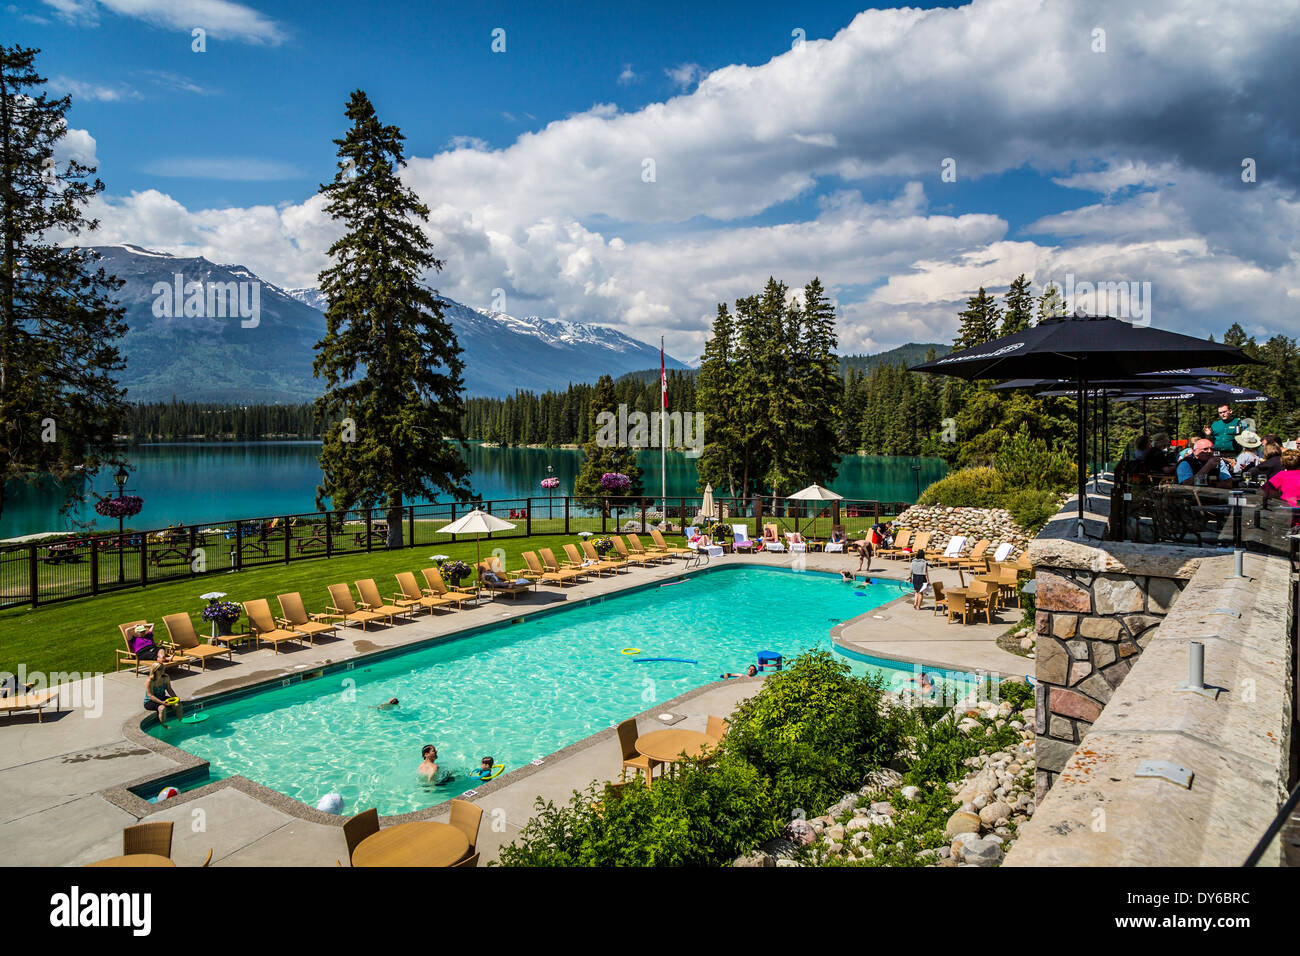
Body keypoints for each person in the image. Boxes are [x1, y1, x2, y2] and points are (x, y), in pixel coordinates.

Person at [143, 656, 183, 728]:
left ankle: (180, 721)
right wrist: (162, 703)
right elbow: (150, 695)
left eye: (163, 668)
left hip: (162, 698)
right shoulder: (150, 681)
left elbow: (169, 689)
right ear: (155, 670)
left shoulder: (165, 677)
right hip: (150, 701)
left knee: (178, 705)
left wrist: (176, 697)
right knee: (162, 708)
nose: (162, 670)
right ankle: (164, 726)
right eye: (160, 669)